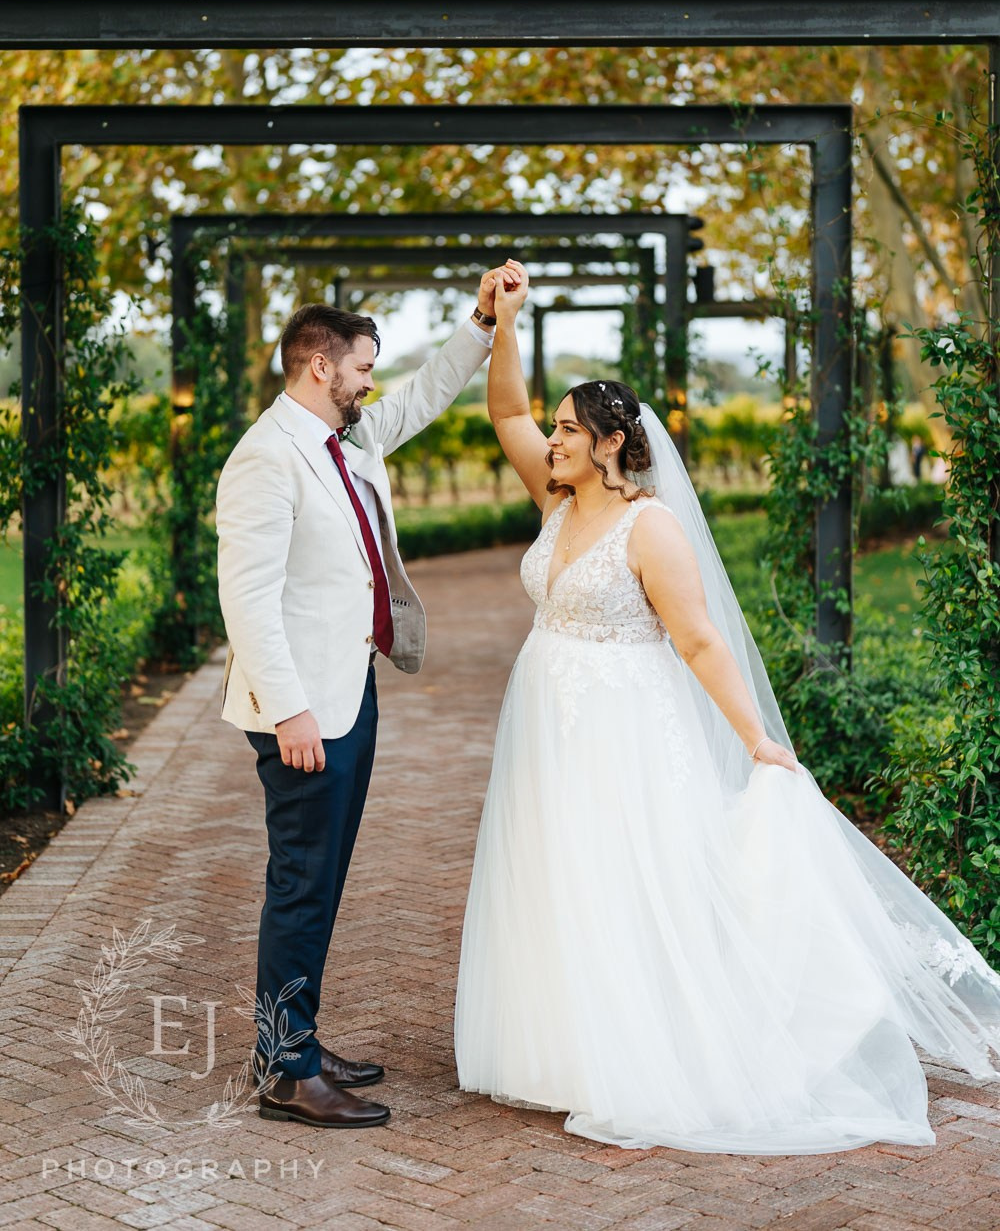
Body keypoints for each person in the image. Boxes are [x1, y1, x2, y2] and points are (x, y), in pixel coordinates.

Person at [455, 263, 1000, 1154]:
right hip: (543, 723)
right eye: (553, 428)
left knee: (622, 875)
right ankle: (560, 1048)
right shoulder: (555, 500)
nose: (548, 438)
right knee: (554, 869)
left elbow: (702, 641)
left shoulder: (651, 527)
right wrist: (501, 322)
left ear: (608, 444)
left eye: (567, 430)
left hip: (622, 725)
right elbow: (504, 414)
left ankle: (638, 1051)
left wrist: (759, 742)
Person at [217, 265, 521, 1130]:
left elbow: (424, 396)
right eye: (360, 368)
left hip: (349, 688)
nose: (369, 383)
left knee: (324, 876)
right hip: (303, 708)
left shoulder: (345, 439)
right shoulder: (265, 459)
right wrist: (288, 710)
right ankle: (286, 1072)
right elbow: (248, 599)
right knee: (302, 882)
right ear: (321, 368)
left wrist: (481, 320)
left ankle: (294, 1040)